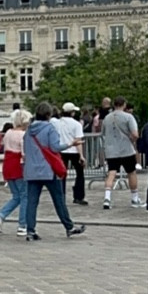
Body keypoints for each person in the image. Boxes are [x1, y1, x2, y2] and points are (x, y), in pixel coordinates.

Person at [23, 102, 86, 241]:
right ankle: (69, 226)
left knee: (32, 202)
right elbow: (55, 147)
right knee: (58, 200)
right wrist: (71, 144)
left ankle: (30, 231)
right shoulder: (49, 128)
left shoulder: (29, 130)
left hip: (31, 170)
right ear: (48, 115)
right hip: (48, 169)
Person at [0, 109, 29, 236]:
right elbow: (24, 154)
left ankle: (1, 216)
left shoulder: (8, 133)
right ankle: (22, 225)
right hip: (18, 166)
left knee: (16, 196)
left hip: (8, 164)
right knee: (25, 196)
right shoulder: (23, 135)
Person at [100, 98, 141, 209]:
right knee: (131, 173)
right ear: (124, 104)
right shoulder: (128, 117)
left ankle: (107, 198)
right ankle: (135, 198)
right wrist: (132, 140)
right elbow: (135, 134)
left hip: (111, 150)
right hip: (126, 149)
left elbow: (103, 133)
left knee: (111, 173)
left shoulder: (107, 118)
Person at [52, 102, 86, 205]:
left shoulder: (56, 122)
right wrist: (81, 155)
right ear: (72, 113)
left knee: (62, 174)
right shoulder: (77, 124)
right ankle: (78, 196)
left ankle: (61, 196)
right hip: (74, 150)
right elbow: (78, 140)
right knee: (79, 173)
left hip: (61, 150)